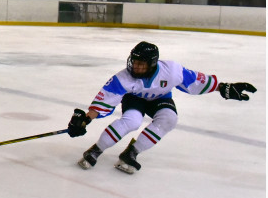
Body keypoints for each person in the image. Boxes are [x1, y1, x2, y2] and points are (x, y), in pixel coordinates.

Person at [67, 41, 256, 174]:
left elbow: (195, 81)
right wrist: (86, 119)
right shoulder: (124, 78)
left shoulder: (172, 71)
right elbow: (105, 100)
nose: (136, 67)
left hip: (160, 98)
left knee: (169, 119)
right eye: (135, 62)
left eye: (141, 64)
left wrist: (222, 87)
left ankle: (131, 153)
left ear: (153, 64)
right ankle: (94, 150)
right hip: (135, 99)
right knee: (132, 121)